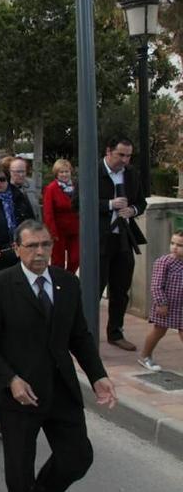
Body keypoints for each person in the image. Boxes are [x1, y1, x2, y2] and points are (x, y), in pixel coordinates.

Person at [0, 220, 117, 492]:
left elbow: (79, 336)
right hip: (21, 396)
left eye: (45, 244)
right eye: (31, 246)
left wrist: (98, 375)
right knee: (19, 476)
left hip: (61, 390)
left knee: (77, 458)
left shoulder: (67, 283)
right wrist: (11, 379)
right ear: (16, 249)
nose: (40, 252)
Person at [98, 136, 147, 351]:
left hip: (124, 239)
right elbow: (78, 203)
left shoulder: (131, 174)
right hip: (99, 239)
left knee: (121, 289)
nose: (125, 160)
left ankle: (115, 332)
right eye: (121, 155)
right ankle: (84, 332)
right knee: (94, 289)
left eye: (128, 156)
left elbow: (141, 202)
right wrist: (109, 204)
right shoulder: (93, 172)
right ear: (109, 151)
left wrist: (133, 210)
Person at [137, 231, 183, 372]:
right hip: (166, 305)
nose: (174, 247)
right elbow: (156, 285)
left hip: (182, 306)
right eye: (172, 243)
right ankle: (145, 356)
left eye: (180, 245)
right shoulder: (164, 262)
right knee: (159, 330)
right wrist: (161, 303)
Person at [42, 159, 79, 273]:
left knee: (76, 258)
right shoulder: (51, 188)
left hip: (75, 228)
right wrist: (52, 233)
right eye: (61, 172)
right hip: (58, 230)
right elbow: (48, 212)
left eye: (66, 171)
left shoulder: (76, 186)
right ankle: (58, 281)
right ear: (56, 174)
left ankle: (69, 277)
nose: (64, 174)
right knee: (58, 261)